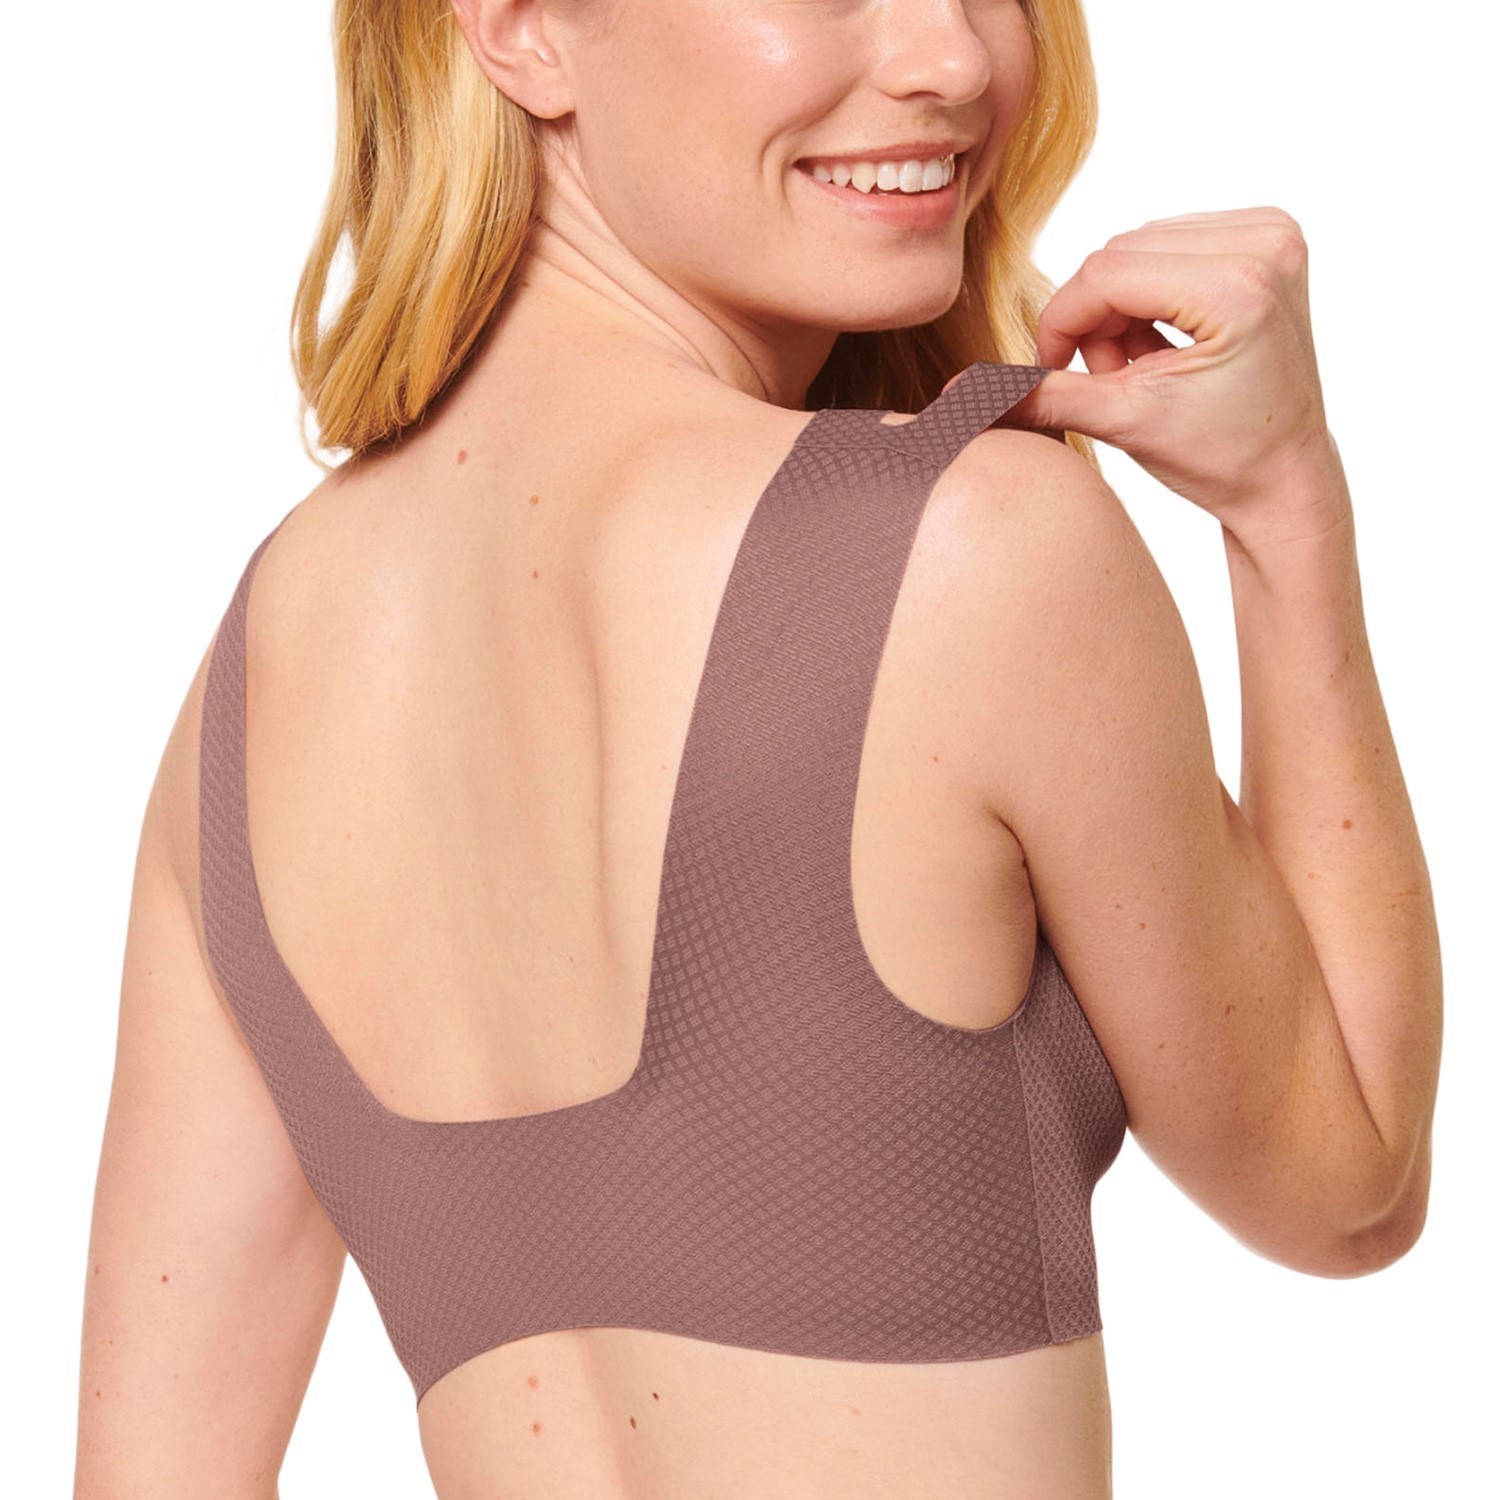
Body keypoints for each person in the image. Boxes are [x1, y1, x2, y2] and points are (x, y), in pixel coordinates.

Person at [73, 1, 1441, 1496]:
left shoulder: (248, 698)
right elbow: (1346, 1189)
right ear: (523, 31)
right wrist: (1284, 500)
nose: (954, 56)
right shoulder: (973, 552)